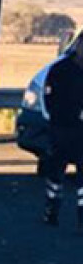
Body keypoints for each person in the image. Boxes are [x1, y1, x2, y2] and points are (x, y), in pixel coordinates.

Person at [42, 35, 83, 227]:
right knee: (55, 172)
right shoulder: (60, 70)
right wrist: (58, 119)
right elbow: (49, 98)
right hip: (62, 129)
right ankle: (52, 209)